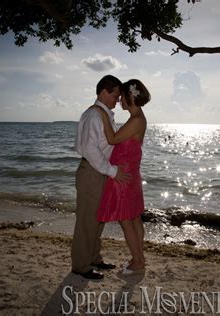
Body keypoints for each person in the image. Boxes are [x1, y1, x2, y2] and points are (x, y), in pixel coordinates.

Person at [72, 75, 130, 280]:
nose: (117, 100)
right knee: (87, 220)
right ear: (104, 92)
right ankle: (80, 265)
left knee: (98, 219)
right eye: (115, 95)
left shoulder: (104, 114)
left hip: (100, 172)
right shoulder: (94, 116)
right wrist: (113, 171)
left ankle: (94, 258)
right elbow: (90, 149)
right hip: (92, 173)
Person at [95, 79, 150, 275]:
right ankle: (140, 258)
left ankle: (137, 261)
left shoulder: (135, 120)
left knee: (127, 220)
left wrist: (102, 115)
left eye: (122, 98)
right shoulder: (137, 117)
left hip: (125, 177)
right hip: (130, 175)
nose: (119, 101)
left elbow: (112, 139)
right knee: (134, 218)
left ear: (130, 96)